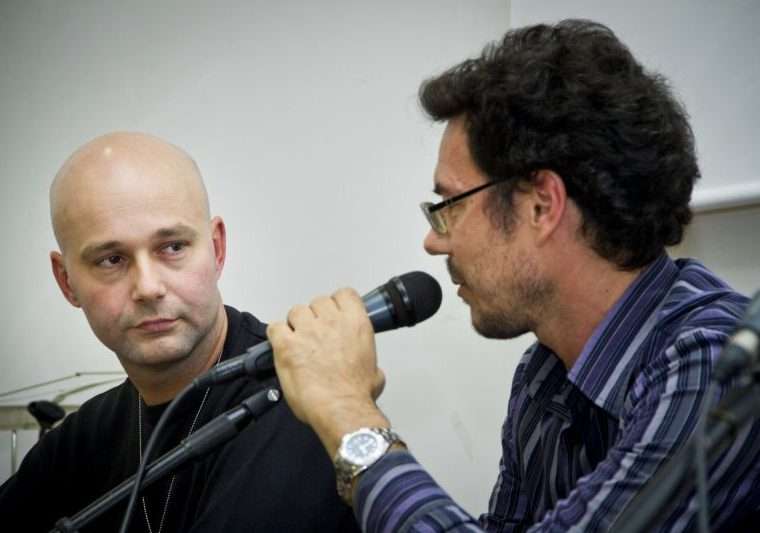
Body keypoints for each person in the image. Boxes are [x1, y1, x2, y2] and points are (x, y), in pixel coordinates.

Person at [267, 19, 760, 532]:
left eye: (449, 205)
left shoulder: (717, 362)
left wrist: (348, 414)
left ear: (542, 205)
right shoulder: (542, 373)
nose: (434, 240)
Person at [0, 132, 360, 532]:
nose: (148, 287)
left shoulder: (300, 401)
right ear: (67, 281)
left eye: (172, 247)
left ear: (216, 248)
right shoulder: (83, 439)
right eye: (112, 259)